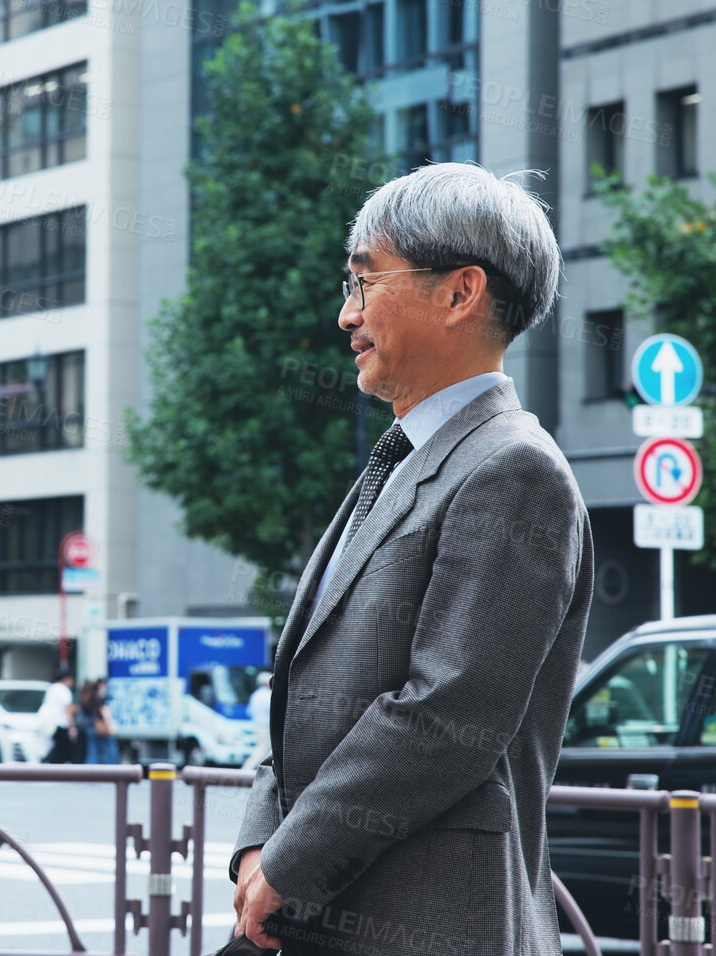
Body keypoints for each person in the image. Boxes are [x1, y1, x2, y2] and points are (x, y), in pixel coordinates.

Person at [229, 163, 593, 956]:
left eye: (364, 283)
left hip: (429, 922)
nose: (343, 315)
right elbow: (304, 686)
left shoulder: (512, 469)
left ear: (459, 292)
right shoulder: (398, 458)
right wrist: (262, 839)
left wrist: (288, 859)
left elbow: (445, 713)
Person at [37, 669, 77, 763]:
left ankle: (47, 763)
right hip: (61, 724)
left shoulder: (52, 688)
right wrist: (72, 727)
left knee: (59, 748)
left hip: (51, 724)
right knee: (64, 750)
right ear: (68, 679)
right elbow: (68, 710)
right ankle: (48, 763)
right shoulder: (64, 690)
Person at [242, 671, 273, 770]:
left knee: (264, 750)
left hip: (257, 725)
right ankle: (245, 771)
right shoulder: (267, 695)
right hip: (266, 727)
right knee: (262, 750)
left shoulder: (255, 695)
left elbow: (249, 711)